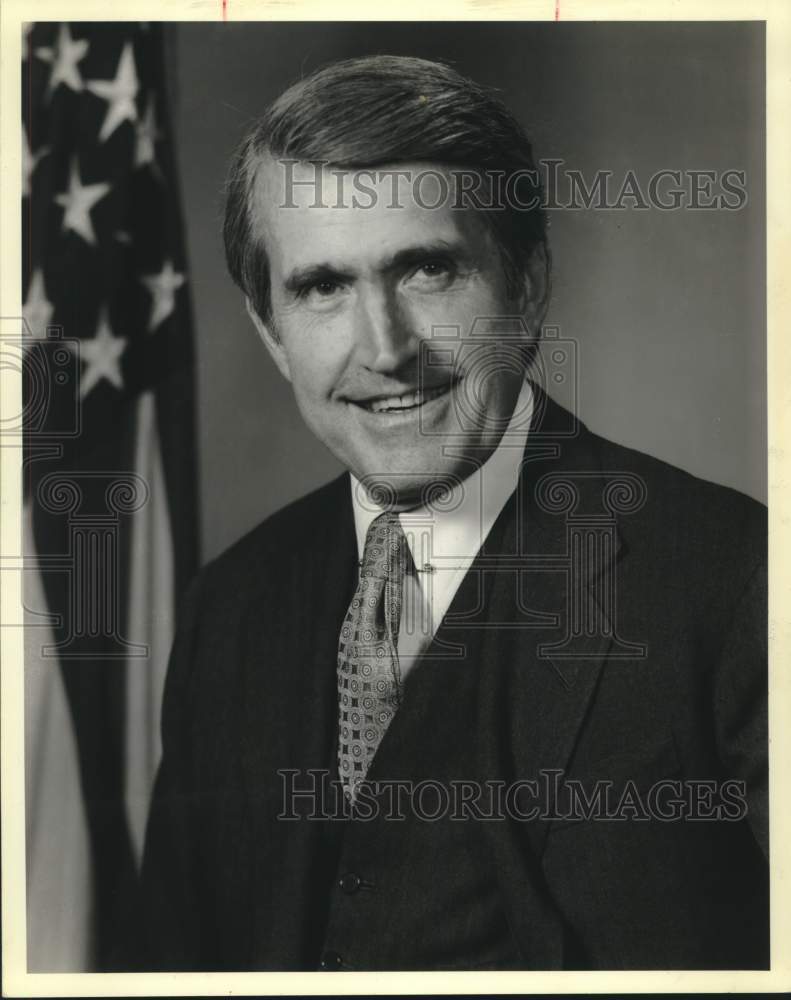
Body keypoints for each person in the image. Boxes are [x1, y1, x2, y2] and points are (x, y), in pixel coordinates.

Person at [136, 55, 768, 971]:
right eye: (322, 288)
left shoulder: (733, 577)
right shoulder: (228, 607)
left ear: (527, 286)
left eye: (426, 270)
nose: (384, 348)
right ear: (271, 331)